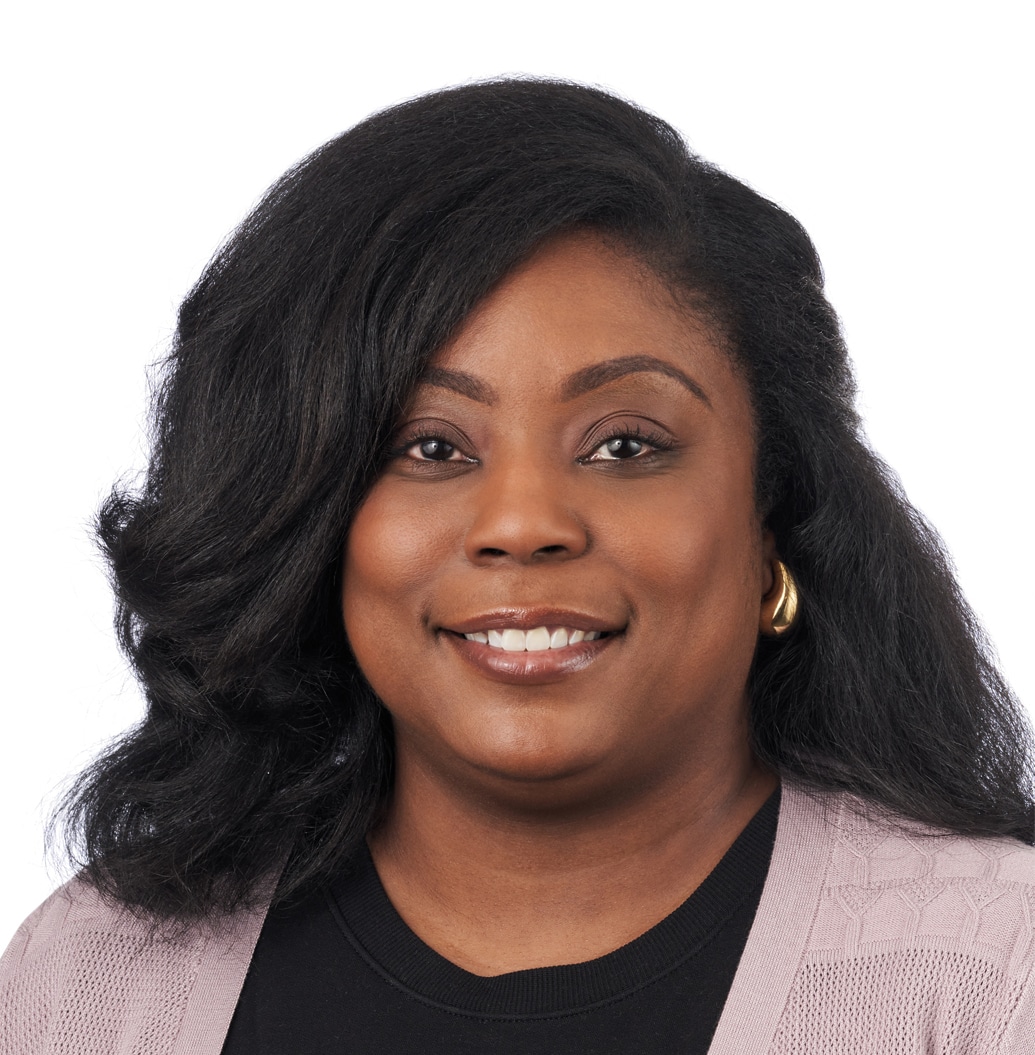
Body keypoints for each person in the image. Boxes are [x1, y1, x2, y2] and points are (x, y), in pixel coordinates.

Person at [2, 79, 1033, 1055]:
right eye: (432, 446)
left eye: (624, 444)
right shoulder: (91, 983)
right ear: (309, 521)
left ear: (775, 516)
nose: (523, 523)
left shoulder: (992, 971)